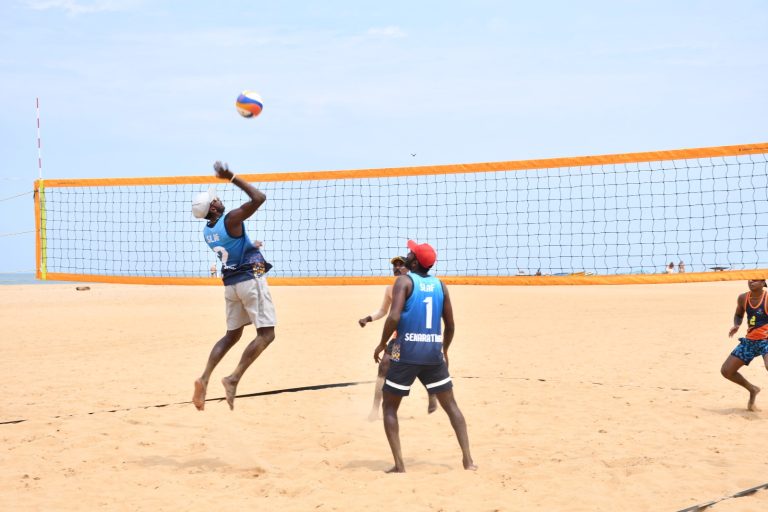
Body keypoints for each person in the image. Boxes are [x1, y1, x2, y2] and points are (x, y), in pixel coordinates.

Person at [374, 240, 476, 472]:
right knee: (452, 406)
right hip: (433, 354)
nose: (408, 253)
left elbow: (393, 316)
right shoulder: (441, 285)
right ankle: (468, 461)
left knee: (389, 408)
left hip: (405, 353)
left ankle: (400, 466)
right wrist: (445, 350)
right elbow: (450, 325)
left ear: (414, 262)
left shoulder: (404, 281)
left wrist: (381, 344)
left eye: (411, 252)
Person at [191, 161, 277, 411]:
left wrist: (250, 247)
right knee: (267, 334)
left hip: (230, 285)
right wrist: (231, 177)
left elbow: (233, 243)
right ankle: (233, 378)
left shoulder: (208, 231)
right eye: (215, 199)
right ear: (213, 207)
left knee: (232, 335)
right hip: (250, 280)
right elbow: (259, 197)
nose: (219, 199)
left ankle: (205, 377)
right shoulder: (230, 220)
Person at [359, 256, 438, 420]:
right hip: (399, 337)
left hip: (418, 335)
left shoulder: (416, 284)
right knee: (384, 366)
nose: (397, 267)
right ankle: (375, 409)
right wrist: (368, 318)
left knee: (421, 367)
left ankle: (432, 394)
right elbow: (383, 311)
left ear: (408, 267)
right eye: (394, 265)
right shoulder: (390, 288)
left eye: (401, 264)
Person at [722, 279, 768, 411]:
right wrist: (737, 324)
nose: (751, 281)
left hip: (766, 340)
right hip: (750, 341)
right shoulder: (743, 298)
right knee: (726, 371)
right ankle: (752, 389)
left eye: (755, 279)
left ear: (763, 283)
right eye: (750, 279)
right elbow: (738, 314)